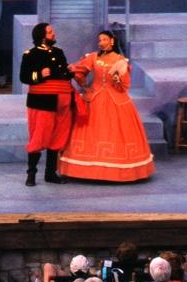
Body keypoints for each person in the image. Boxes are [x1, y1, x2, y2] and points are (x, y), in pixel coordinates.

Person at [59, 29, 154, 183]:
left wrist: (118, 80)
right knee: (89, 129)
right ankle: (85, 170)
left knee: (116, 131)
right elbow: (78, 71)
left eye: (104, 39)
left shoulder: (120, 60)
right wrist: (85, 86)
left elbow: (124, 86)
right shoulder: (93, 57)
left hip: (116, 99)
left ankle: (118, 170)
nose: (101, 42)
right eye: (100, 40)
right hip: (95, 97)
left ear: (112, 41)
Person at [20, 21, 74, 185]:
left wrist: (69, 71)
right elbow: (24, 77)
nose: (54, 34)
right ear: (42, 36)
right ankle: (31, 174)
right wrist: (40, 74)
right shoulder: (30, 54)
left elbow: (64, 74)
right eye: (50, 32)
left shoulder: (59, 52)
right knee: (39, 137)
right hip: (42, 101)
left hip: (62, 101)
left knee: (57, 137)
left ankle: (50, 174)